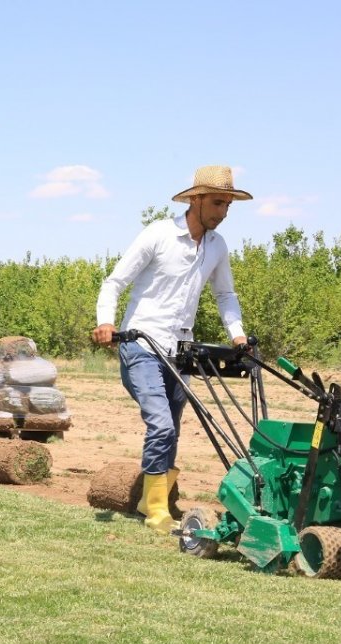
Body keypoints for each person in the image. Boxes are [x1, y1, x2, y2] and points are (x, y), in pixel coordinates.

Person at [91, 165, 252, 532]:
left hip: (181, 350)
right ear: (194, 200)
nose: (222, 212)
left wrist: (238, 336)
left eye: (227, 205)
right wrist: (105, 322)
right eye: (216, 203)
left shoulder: (217, 246)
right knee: (161, 426)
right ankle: (156, 511)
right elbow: (114, 283)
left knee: (174, 429)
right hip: (141, 345)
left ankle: (154, 497)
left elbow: (225, 295)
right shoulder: (160, 234)